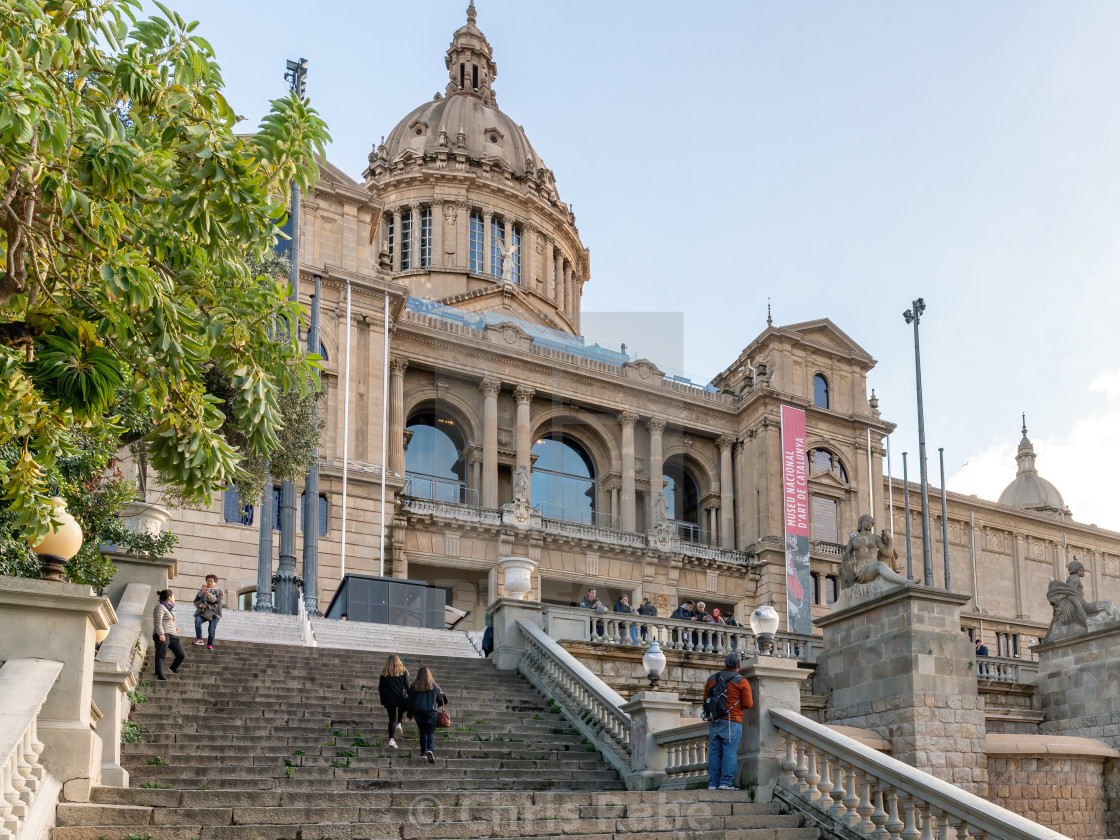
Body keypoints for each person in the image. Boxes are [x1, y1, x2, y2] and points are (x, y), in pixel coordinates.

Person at [702, 652, 753, 790]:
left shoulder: (711, 679)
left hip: (714, 720)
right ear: (739, 665)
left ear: (725, 663)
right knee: (729, 751)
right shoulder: (741, 681)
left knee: (714, 752)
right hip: (732, 720)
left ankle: (713, 783)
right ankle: (725, 782)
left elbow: (705, 700)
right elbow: (748, 704)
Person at [407, 665, 448, 764]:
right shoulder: (434, 686)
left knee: (422, 732)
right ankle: (430, 749)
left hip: (418, 713)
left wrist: (409, 714)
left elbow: (410, 702)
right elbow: (442, 700)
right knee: (430, 732)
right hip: (431, 712)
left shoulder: (413, 686)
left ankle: (423, 754)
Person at [152, 589, 185, 681]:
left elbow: (169, 621)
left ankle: (173, 668)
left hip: (172, 634)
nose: (174, 598)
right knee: (161, 654)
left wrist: (174, 629)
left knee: (181, 654)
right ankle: (159, 674)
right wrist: (161, 634)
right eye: (173, 596)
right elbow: (157, 622)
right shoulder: (160, 607)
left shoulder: (170, 608)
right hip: (163, 634)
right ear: (169, 597)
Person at [379, 654, 410, 749]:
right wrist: (410, 698)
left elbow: (381, 688)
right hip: (401, 697)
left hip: (389, 699)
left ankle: (391, 740)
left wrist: (383, 701)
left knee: (391, 719)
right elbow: (407, 686)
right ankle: (399, 724)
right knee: (402, 710)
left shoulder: (384, 673)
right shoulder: (404, 672)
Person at [193, 574, 223, 649]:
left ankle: (210, 645)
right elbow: (196, 601)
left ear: (215, 583)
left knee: (211, 630)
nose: (209, 582)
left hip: (214, 613)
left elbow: (216, 600)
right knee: (197, 621)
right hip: (204, 612)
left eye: (211, 581)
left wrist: (207, 593)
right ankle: (199, 639)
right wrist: (200, 605)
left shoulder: (219, 591)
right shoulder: (201, 591)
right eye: (208, 581)